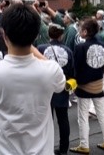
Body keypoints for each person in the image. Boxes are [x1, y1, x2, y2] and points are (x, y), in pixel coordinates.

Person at [0, 2, 65, 154]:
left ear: (4, 35)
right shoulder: (51, 70)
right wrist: (30, 44)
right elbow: (60, 82)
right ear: (36, 35)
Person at [69, 18, 104, 154]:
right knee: (101, 113)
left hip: (84, 85)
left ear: (85, 32)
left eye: (81, 29)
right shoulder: (102, 45)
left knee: (82, 115)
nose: (79, 32)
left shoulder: (80, 47)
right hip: (99, 83)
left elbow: (76, 67)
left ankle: (84, 145)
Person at [37, 23, 74, 155]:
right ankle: (64, 149)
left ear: (49, 34)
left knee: (45, 121)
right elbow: (72, 72)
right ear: (61, 35)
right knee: (63, 119)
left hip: (44, 88)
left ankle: (46, 148)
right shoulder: (68, 50)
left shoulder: (40, 48)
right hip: (61, 87)